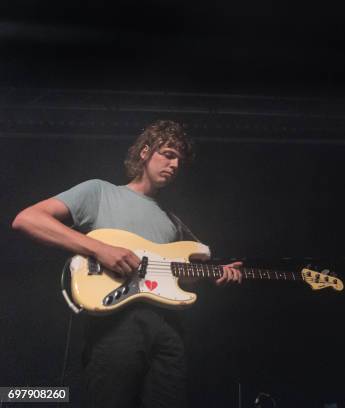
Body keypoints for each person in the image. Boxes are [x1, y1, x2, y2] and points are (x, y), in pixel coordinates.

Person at [12, 120, 242, 408]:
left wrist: (215, 274)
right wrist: (99, 248)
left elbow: (176, 276)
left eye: (179, 161)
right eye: (168, 154)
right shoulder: (100, 192)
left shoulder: (173, 222)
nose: (174, 164)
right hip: (116, 322)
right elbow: (28, 219)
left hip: (168, 329)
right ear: (145, 152)